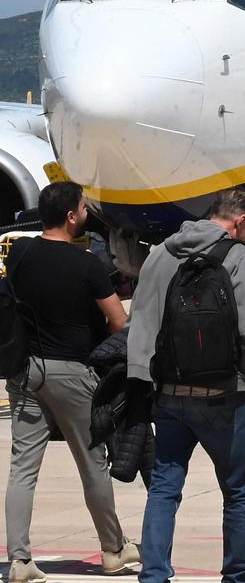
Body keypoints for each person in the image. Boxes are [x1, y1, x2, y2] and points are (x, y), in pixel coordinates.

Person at [5, 182, 140, 582]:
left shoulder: (20, 254)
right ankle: (113, 549)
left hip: (25, 371)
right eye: (83, 207)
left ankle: (19, 559)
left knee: (23, 468)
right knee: (92, 464)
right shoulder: (86, 264)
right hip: (72, 371)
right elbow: (118, 321)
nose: (86, 213)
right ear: (70, 216)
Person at [128, 188, 245, 583]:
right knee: (237, 489)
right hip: (225, 394)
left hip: (169, 393)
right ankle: (238, 575)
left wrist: (143, 383)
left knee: (164, 489)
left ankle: (154, 574)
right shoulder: (237, 255)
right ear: (239, 221)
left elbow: (141, 322)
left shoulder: (160, 254)